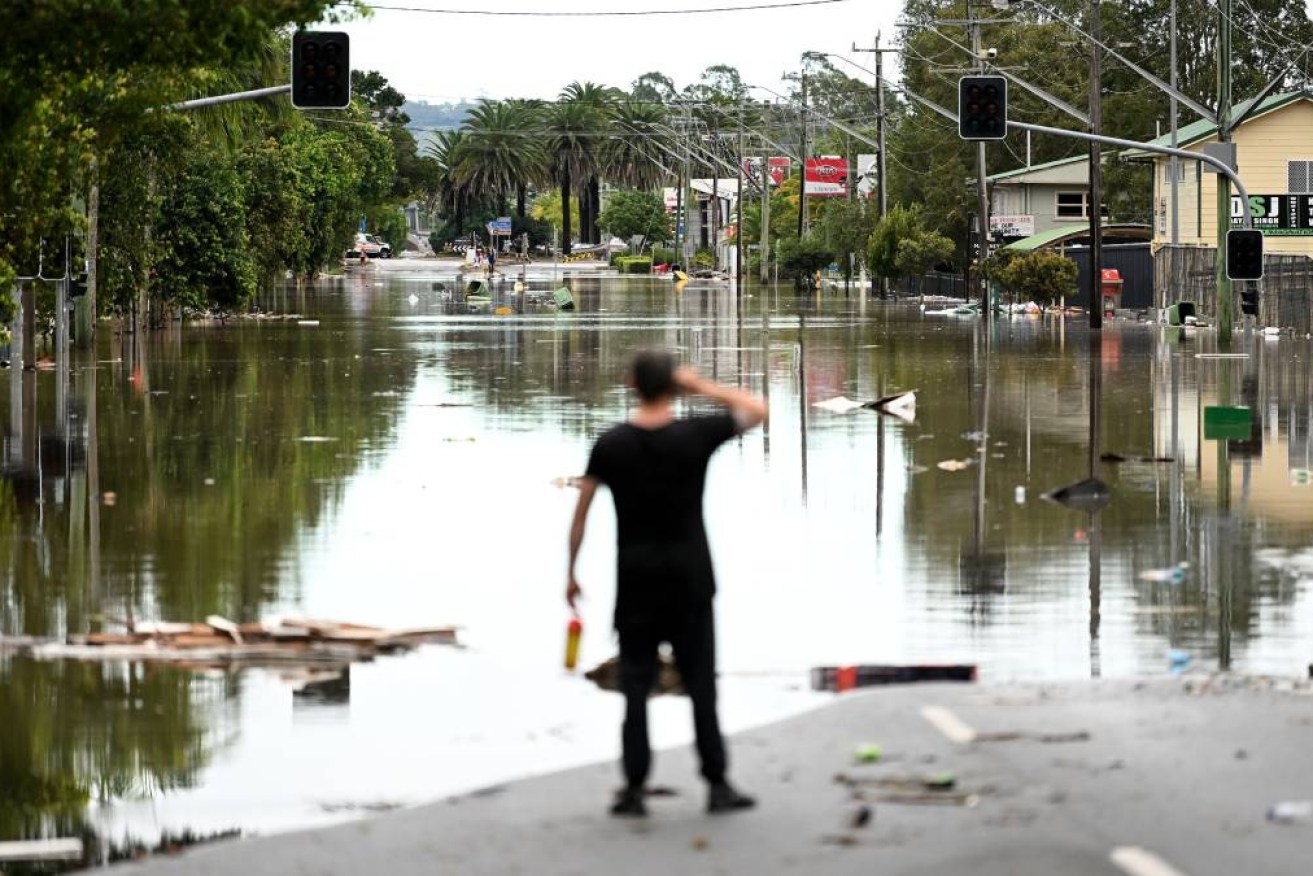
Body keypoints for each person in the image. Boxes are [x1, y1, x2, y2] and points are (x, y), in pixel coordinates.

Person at [566, 350, 768, 818]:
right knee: (700, 682)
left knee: (635, 685)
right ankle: (717, 784)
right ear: (673, 386)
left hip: (635, 578)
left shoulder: (611, 444)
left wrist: (571, 573)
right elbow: (757, 411)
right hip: (691, 578)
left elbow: (581, 514)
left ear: (632, 385)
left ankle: (634, 789)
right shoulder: (694, 435)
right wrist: (701, 386)